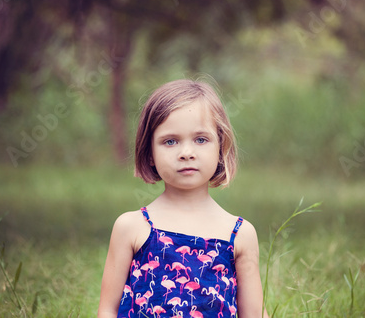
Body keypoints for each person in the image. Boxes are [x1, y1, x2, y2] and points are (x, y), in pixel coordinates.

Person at [98, 79, 266, 317]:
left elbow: (254, 315)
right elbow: (107, 310)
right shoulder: (131, 227)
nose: (186, 153)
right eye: (170, 141)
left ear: (221, 148)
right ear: (149, 154)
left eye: (201, 139)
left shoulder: (240, 234)